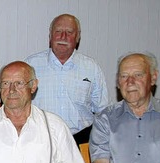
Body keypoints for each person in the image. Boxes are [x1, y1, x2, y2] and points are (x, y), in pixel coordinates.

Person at [25, 14, 109, 145]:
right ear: (50, 35)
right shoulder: (30, 65)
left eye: (69, 32)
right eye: (58, 31)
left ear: (78, 37)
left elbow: (103, 112)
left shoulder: (92, 68)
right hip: (41, 143)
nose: (63, 37)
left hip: (82, 142)